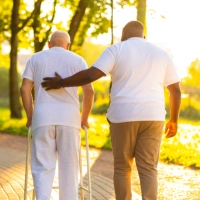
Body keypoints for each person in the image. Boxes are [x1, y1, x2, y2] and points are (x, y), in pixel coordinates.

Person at [41, 21, 181, 200]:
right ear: (144, 36)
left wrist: (61, 82)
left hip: (123, 116)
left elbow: (91, 74)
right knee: (148, 168)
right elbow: (175, 90)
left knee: (123, 168)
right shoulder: (162, 54)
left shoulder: (116, 49)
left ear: (123, 36)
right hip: (153, 117)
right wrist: (174, 120)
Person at [20, 30, 94, 200]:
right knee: (69, 167)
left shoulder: (36, 58)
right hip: (69, 119)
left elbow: (24, 89)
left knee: (42, 167)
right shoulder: (77, 60)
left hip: (43, 117)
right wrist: (84, 118)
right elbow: (89, 91)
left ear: (49, 44)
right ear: (68, 46)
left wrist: (31, 116)